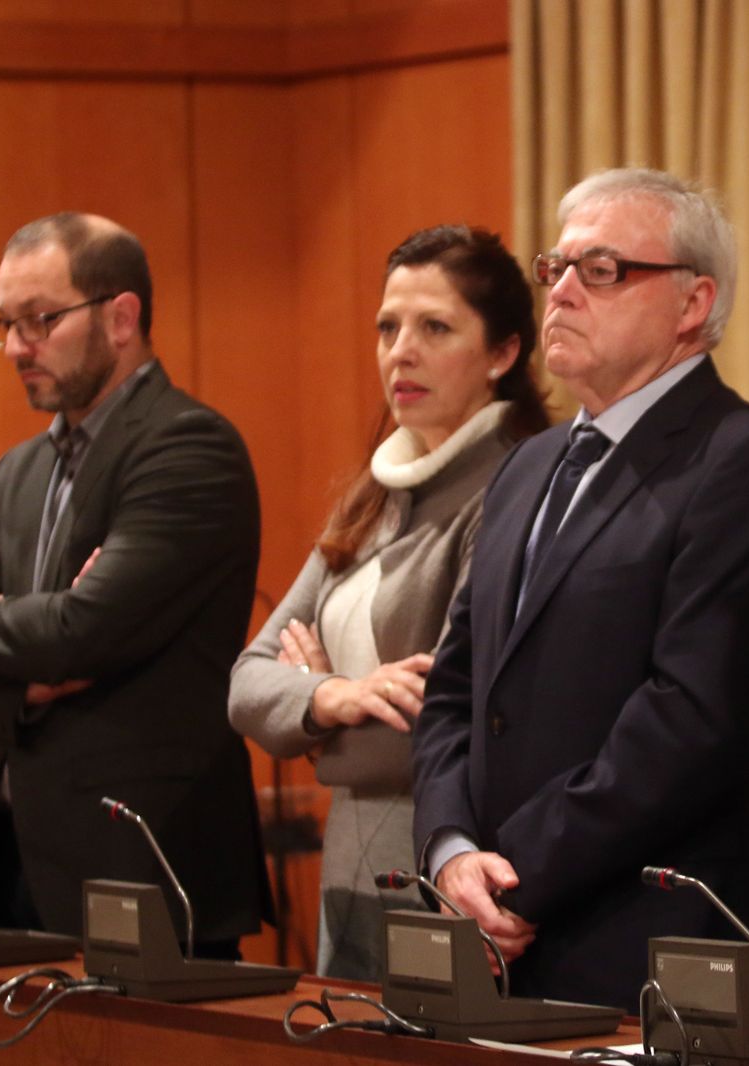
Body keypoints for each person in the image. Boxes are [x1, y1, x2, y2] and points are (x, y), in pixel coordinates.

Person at [411, 167, 749, 1011]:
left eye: (600, 271)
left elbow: (691, 719)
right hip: (496, 935)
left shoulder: (746, 462)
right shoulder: (528, 463)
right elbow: (456, 686)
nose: (560, 292)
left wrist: (517, 873)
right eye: (554, 268)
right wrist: (451, 850)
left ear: (693, 303)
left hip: (647, 945)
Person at [0, 212, 269, 956]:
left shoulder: (186, 445)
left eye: (40, 320)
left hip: (144, 860)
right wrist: (23, 676)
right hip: (16, 865)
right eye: (4, 325)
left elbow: (86, 630)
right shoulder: (17, 472)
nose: (15, 347)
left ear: (121, 316)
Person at [227, 225, 548, 980]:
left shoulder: (516, 487)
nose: (400, 350)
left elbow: (454, 718)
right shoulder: (377, 493)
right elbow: (245, 684)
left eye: (434, 327)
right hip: (352, 852)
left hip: (452, 859)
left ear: (502, 354)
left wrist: (308, 721)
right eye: (387, 327)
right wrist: (337, 694)